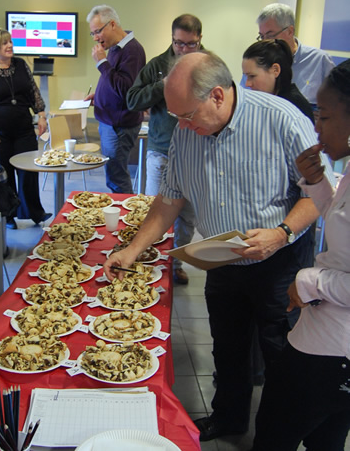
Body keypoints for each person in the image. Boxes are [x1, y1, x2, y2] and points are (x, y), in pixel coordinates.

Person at [104, 51, 333, 442]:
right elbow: (169, 199)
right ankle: (228, 418)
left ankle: (274, 437)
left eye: (188, 115)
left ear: (217, 96)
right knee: (227, 348)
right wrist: (133, 249)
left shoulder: (281, 119)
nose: (183, 125)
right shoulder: (186, 131)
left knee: (280, 353)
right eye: (177, 117)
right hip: (221, 258)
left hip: (279, 261)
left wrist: (280, 232)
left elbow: (320, 195)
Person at [252, 60, 350, 451]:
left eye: (324, 116)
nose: (316, 127)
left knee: (276, 434)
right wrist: (316, 183)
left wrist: (307, 280)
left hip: (332, 349)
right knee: (327, 437)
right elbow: (340, 221)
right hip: (326, 332)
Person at [126, 14, 205, 285]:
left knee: (188, 216)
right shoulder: (158, 64)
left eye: (190, 45)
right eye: (178, 43)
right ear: (171, 39)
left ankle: (176, 263)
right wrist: (163, 85)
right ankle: (149, 260)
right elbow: (133, 100)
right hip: (161, 148)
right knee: (153, 211)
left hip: (197, 153)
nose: (183, 50)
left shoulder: (209, 65)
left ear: (200, 40)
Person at [0, 27, 51, 228]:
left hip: (24, 128)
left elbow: (33, 92)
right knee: (5, 175)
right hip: (0, 133)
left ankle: (34, 213)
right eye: (4, 43)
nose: (9, 46)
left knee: (28, 171)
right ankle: (8, 216)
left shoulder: (21, 64)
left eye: (10, 42)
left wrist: (41, 115)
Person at [85, 5, 146, 194]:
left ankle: (126, 219)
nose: (95, 38)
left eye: (97, 32)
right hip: (109, 121)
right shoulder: (114, 48)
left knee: (116, 178)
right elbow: (115, 80)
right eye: (92, 34)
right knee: (114, 175)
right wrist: (101, 95)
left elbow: (127, 90)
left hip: (119, 125)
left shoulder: (132, 50)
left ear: (112, 25)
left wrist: (102, 63)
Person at [256, 3, 335, 108]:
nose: (265, 42)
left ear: (290, 31)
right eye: (262, 36)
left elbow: (338, 104)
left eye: (270, 35)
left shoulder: (320, 60)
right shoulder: (257, 61)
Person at [242, 39, 314, 121]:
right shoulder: (268, 100)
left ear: (275, 70)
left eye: (252, 76)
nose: (247, 84)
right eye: (246, 77)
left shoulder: (292, 106)